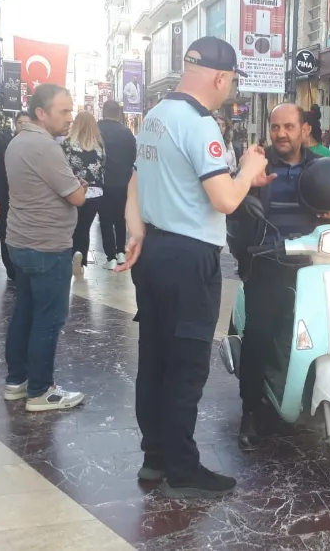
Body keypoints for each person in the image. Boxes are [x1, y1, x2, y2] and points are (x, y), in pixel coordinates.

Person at [116, 37, 271, 499]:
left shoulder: (157, 116)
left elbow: (136, 183)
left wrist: (137, 233)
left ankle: (155, 457)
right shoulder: (201, 124)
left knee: (156, 361)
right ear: (221, 78)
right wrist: (247, 167)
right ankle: (183, 467)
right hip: (189, 259)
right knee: (186, 367)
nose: (230, 90)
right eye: (232, 82)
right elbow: (224, 199)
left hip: (157, 251)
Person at [233, 102, 330, 450]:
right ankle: (249, 410)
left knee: (314, 336)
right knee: (259, 335)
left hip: (312, 265)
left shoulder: (320, 167)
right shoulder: (256, 164)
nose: (281, 134)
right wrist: (247, 190)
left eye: (288, 127)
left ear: (303, 129)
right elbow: (233, 205)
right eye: (275, 127)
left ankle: (300, 400)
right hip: (267, 261)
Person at [3, 84, 86, 412]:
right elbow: (76, 196)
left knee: (24, 312)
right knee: (48, 318)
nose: (70, 118)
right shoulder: (44, 146)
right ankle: (40, 391)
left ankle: (16, 381)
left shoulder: (18, 141)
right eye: (63, 111)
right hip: (47, 246)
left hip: (21, 241)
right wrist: (79, 187)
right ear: (41, 112)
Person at [63, 111, 106, 277]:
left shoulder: (68, 144)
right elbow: (102, 168)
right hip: (96, 193)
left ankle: (72, 255)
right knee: (85, 228)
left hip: (74, 190)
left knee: (72, 227)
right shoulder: (99, 146)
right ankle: (81, 261)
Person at [0, 112, 31, 281]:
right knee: (5, 231)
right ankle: (11, 270)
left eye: (26, 123)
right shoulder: (6, 143)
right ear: (15, 125)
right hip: (8, 196)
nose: (23, 126)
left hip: (29, 198)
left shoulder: (37, 145)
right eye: (20, 122)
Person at [98, 100, 136, 270]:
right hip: (123, 182)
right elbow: (133, 158)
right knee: (121, 218)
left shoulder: (96, 129)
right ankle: (121, 252)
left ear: (103, 111)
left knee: (105, 219)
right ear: (119, 114)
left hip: (103, 182)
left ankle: (110, 256)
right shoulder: (127, 133)